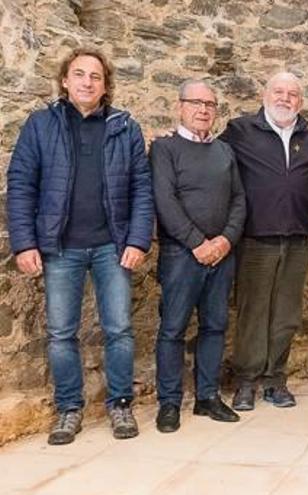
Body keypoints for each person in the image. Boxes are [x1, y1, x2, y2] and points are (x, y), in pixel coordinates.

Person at [6, 46, 153, 444]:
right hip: (60, 248)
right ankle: (69, 408)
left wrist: (138, 239)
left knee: (119, 329)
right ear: (66, 80)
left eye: (96, 77)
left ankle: (120, 404)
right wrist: (24, 243)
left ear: (106, 86)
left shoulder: (125, 127)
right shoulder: (41, 125)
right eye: (80, 74)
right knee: (60, 333)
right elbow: (20, 186)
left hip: (113, 246)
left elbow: (142, 188)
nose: (88, 82)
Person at [219, 72, 308, 411]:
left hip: (296, 239)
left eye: (292, 94)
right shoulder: (240, 131)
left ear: (300, 102)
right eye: (278, 91)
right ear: (265, 95)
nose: (285, 99)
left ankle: (275, 380)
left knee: (287, 314)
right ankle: (247, 381)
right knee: (253, 312)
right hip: (255, 238)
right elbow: (208, 154)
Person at [150, 80, 246, 432]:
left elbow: (239, 200)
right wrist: (197, 243)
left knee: (215, 326)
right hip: (181, 255)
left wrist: (225, 241)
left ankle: (207, 397)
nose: (204, 110)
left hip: (222, 255)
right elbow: (165, 201)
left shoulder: (224, 151)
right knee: (173, 329)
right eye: (196, 103)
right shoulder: (164, 149)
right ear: (180, 107)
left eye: (210, 104)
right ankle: (170, 402)